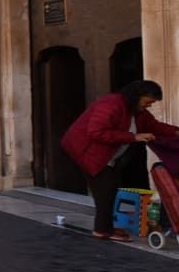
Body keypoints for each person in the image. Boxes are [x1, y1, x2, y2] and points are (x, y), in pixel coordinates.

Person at [62, 79, 179, 240]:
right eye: (148, 102)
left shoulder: (138, 111)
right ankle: (102, 230)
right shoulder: (112, 104)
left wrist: (176, 132)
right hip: (87, 151)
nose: (149, 106)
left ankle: (106, 227)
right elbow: (96, 132)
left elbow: (155, 126)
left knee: (110, 188)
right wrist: (134, 137)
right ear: (138, 96)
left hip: (108, 155)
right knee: (105, 190)